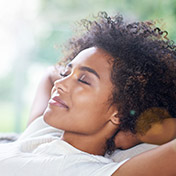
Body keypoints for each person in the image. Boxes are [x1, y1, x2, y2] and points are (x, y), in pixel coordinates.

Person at [0, 11, 176, 176]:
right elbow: (50, 75)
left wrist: (137, 133)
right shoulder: (46, 130)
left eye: (83, 80)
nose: (60, 83)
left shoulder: (85, 170)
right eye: (66, 73)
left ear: (119, 113)